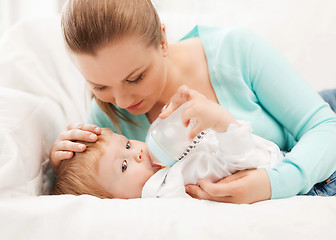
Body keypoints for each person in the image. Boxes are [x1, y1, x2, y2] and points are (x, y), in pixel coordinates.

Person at [50, 0, 336, 203]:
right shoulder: (105, 118)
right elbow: (98, 181)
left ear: (162, 41)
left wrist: (273, 183)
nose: (122, 101)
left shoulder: (236, 52)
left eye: (135, 78)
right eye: (100, 86)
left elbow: (324, 127)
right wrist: (62, 164)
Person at [53, 86, 284, 199]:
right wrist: (222, 122)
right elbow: (235, 162)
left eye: (127, 145)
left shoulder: (167, 168)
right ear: (114, 202)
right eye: (123, 165)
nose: (138, 153)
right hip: (304, 182)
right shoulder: (172, 184)